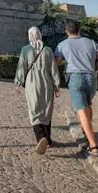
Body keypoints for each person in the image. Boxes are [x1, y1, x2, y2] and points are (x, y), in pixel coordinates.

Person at [54, 21, 98, 157]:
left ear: (67, 32)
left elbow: (56, 62)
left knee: (82, 111)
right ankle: (87, 131)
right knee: (88, 105)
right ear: (80, 30)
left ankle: (93, 145)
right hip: (91, 78)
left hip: (75, 78)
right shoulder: (91, 42)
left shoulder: (62, 45)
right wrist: (96, 67)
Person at [15, 26, 62, 154]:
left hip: (31, 83)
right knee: (46, 110)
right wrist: (57, 85)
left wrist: (18, 82)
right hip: (47, 83)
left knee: (34, 110)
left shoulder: (25, 50)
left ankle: (41, 137)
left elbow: (21, 66)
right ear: (40, 35)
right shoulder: (47, 50)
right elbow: (54, 69)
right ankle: (48, 140)